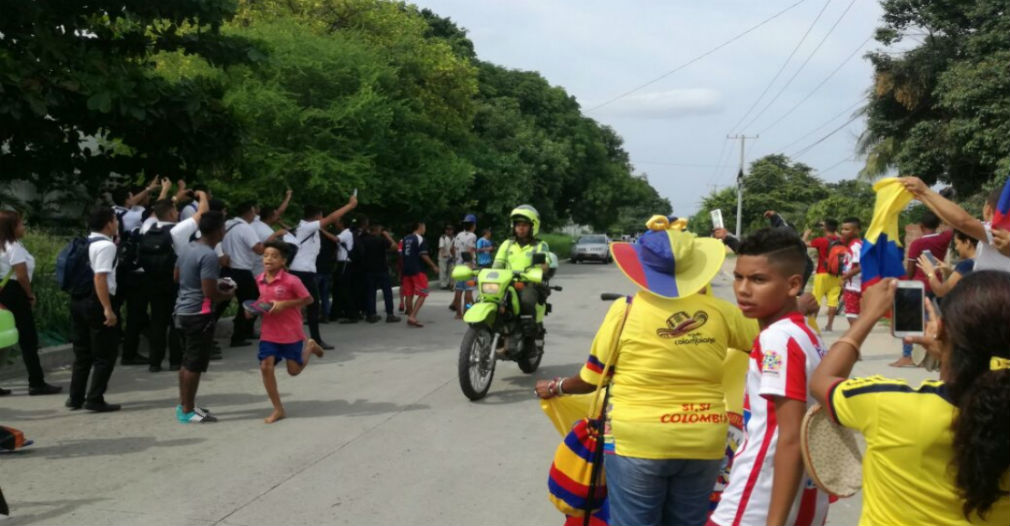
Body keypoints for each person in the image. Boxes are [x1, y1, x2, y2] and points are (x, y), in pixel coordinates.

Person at [535, 217, 758, 526]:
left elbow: (591, 380)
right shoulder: (722, 313)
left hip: (637, 441)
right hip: (704, 437)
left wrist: (558, 386)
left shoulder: (624, 311)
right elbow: (766, 340)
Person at [810, 272, 1010, 525]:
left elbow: (821, 381)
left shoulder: (888, 404)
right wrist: (948, 353)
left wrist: (868, 316)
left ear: (941, 330)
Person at [710, 228, 830, 526]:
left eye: (758, 279)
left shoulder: (776, 339)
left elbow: (789, 437)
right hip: (800, 495)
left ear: (793, 285)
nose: (743, 289)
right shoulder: (805, 333)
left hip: (758, 497)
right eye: (739, 277)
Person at [254, 241, 325, 424]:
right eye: (266, 255)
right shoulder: (259, 279)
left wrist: (286, 304)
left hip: (290, 332)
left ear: (283, 261)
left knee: (293, 371)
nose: (268, 259)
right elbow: (261, 301)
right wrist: (252, 309)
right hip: (269, 332)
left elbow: (308, 299)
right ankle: (278, 409)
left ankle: (309, 346)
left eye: (274, 256)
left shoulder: (292, 281)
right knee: (265, 366)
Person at [174, 211, 234, 423]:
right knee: (195, 364)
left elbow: (177, 276)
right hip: (199, 313)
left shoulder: (188, 248)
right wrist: (227, 292)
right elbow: (209, 292)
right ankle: (188, 411)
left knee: (187, 361)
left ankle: (185, 405)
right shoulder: (208, 255)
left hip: (182, 310)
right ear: (219, 230)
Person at [139, 193, 209, 372]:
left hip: (153, 281)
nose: (178, 213)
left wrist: (172, 196)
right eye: (175, 210)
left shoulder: (147, 227)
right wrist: (201, 196)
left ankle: (154, 362)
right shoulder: (178, 230)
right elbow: (203, 213)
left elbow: (158, 210)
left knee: (157, 321)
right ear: (171, 214)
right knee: (176, 321)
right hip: (175, 281)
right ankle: (175, 361)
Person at [66, 208, 123, 412]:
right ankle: (95, 398)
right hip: (97, 302)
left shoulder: (83, 243)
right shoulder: (106, 246)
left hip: (78, 301)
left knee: (82, 353)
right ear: (108, 223)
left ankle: (75, 398)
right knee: (104, 354)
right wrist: (108, 309)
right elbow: (100, 277)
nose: (117, 223)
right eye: (115, 220)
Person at [0, 211, 61, 396]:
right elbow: (21, 275)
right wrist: (29, 295)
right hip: (14, 292)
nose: (24, 227)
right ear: (12, 228)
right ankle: (36, 382)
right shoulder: (14, 247)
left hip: (1, 293)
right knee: (28, 338)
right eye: (20, 224)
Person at [286, 197, 357, 350]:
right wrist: (350, 206)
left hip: (299, 271)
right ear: (318, 216)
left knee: (299, 306)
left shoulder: (301, 228)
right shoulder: (307, 227)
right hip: (303, 272)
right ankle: (314, 340)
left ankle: (297, 339)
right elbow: (331, 218)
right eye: (321, 217)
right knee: (312, 306)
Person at [891, 210, 953, 368]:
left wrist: (906, 284)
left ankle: (907, 356)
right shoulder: (943, 239)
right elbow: (952, 227)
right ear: (938, 225)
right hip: (936, 283)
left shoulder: (917, 243)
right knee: (933, 319)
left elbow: (911, 268)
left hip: (919, 284)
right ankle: (933, 352)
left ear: (921, 226)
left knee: (910, 320)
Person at [492, 205, 551, 340]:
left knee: (526, 300)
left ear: (532, 226)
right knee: (487, 298)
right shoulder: (507, 244)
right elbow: (497, 265)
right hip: (506, 283)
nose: (521, 228)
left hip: (528, 283)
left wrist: (540, 270)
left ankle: (529, 338)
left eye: (524, 225)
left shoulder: (540, 245)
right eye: (518, 224)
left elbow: (544, 265)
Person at [221, 202, 272, 347]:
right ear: (250, 211)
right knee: (250, 302)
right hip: (242, 271)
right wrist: (270, 242)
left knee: (221, 303)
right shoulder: (245, 228)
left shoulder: (227, 224)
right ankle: (239, 335)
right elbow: (258, 249)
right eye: (254, 210)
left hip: (226, 270)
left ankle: (208, 335)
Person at [802, 218, 842, 332]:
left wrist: (806, 234)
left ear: (824, 228)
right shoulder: (840, 240)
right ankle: (829, 325)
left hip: (822, 273)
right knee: (833, 301)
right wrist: (835, 231)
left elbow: (803, 244)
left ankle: (812, 325)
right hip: (836, 274)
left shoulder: (821, 240)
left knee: (816, 300)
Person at [917, 230, 978, 298]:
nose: (956, 248)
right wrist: (947, 270)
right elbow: (961, 279)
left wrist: (930, 274)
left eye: (957, 243)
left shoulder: (966, 264)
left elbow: (940, 291)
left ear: (967, 243)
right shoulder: (979, 261)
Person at [401, 222, 439, 328]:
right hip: (417, 269)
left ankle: (410, 316)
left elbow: (402, 254)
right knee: (423, 292)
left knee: (408, 294)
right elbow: (423, 254)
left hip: (406, 269)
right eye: (424, 227)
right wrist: (433, 266)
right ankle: (412, 316)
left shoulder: (405, 239)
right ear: (420, 227)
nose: (425, 230)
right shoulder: (420, 239)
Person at [361, 224, 401, 323]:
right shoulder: (381, 240)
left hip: (368, 269)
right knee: (387, 293)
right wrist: (387, 236)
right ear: (378, 229)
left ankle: (371, 314)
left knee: (370, 293)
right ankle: (390, 314)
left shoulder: (364, 240)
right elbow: (395, 247)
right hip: (382, 269)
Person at [452, 215, 478, 318]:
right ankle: (467, 310)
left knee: (458, 291)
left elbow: (453, 249)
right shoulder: (472, 236)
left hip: (458, 266)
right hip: (468, 267)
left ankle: (458, 313)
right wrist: (471, 265)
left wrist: (457, 259)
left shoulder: (458, 235)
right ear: (473, 225)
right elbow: (470, 251)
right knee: (468, 292)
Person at [839, 217, 863, 327]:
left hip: (854, 285)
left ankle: (855, 338)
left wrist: (844, 278)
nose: (843, 232)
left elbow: (860, 266)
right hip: (853, 284)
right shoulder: (852, 244)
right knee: (853, 315)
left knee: (851, 315)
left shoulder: (855, 245)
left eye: (847, 229)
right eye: (843, 229)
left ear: (857, 231)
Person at [437, 225, 455, 290]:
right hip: (443, 256)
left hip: (450, 256)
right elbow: (441, 247)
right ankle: (443, 285)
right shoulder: (443, 237)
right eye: (447, 230)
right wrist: (443, 254)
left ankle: (450, 283)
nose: (449, 231)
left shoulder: (454, 238)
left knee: (451, 270)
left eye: (450, 230)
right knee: (443, 270)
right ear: (445, 230)